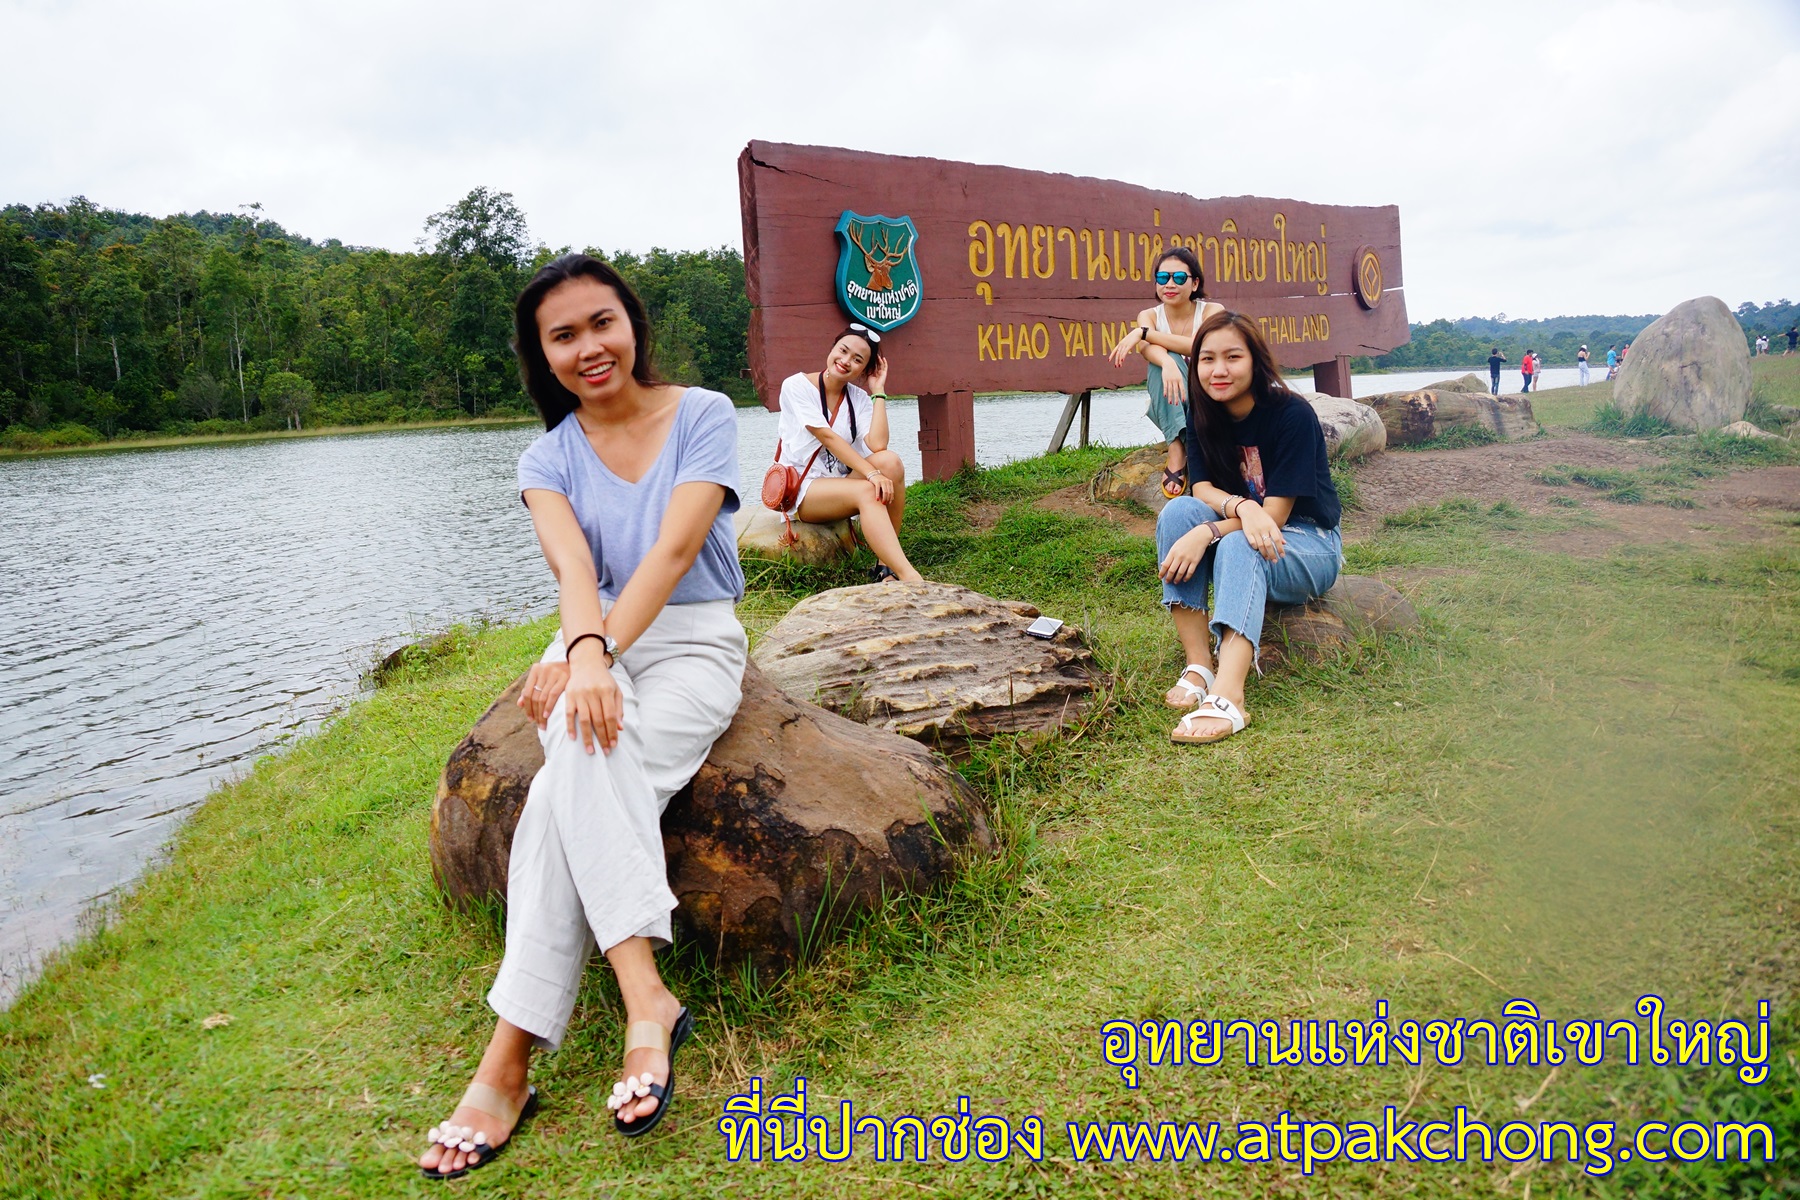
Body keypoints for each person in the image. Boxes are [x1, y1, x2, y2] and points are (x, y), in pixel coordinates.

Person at [417, 254, 748, 1178]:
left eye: (602, 322)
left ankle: (507, 1061)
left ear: (631, 323)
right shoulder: (547, 456)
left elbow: (679, 547)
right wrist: (584, 654)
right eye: (562, 336)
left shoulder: (705, 414)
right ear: (542, 355)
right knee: (577, 740)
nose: (588, 347)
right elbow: (573, 573)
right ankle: (647, 996)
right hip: (595, 636)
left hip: (691, 639)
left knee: (567, 785)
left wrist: (589, 653)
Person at [1154, 310, 1342, 745]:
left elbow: (1274, 516)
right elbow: (1200, 486)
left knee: (1238, 544)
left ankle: (1230, 692)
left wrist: (1210, 532)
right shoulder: (1201, 409)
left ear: (1255, 360)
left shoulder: (1290, 414)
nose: (1218, 370)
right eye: (1206, 359)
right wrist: (1240, 507)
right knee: (1177, 514)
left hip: (1308, 542)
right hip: (1248, 525)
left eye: (1232, 357)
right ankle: (1199, 663)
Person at [776, 324, 923, 582]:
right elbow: (826, 437)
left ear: (864, 369)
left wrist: (878, 392)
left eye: (858, 360)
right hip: (804, 490)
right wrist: (872, 474)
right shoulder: (796, 386)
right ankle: (909, 576)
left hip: (840, 484)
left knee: (892, 462)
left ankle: (884, 567)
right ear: (832, 348)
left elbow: (878, 445)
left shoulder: (857, 397)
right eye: (842, 351)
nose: (845, 361)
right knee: (869, 488)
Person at [1107, 247, 1224, 498]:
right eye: (1163, 278)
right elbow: (1148, 350)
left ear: (1195, 284)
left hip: (1209, 399)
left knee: (1169, 356)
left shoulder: (1213, 312)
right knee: (1160, 362)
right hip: (1173, 398)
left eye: (1179, 278)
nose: (1170, 284)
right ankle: (1177, 448)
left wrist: (1143, 333)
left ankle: (1192, 443)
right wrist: (1168, 362)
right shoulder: (1148, 315)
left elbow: (1200, 345)